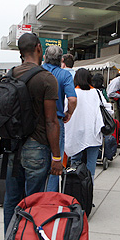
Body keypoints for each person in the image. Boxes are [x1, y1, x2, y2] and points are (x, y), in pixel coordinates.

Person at [3, 33, 62, 233]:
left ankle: (10, 237)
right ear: (39, 48)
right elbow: (51, 121)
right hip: (36, 148)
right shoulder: (46, 78)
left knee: (11, 200)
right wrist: (56, 156)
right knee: (34, 203)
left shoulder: (9, 75)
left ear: (20, 52)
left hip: (12, 147)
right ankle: (28, 237)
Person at [64, 68, 113, 181]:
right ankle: (88, 188)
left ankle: (75, 186)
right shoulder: (96, 92)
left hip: (75, 132)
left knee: (75, 162)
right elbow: (108, 109)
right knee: (91, 165)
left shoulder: (72, 93)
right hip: (93, 132)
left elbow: (64, 110)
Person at [43, 45, 77, 192]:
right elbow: (73, 99)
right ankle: (50, 199)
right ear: (61, 59)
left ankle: (34, 197)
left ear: (45, 57)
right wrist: (69, 113)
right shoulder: (64, 75)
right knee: (55, 159)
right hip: (56, 121)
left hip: (35, 121)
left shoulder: (37, 71)